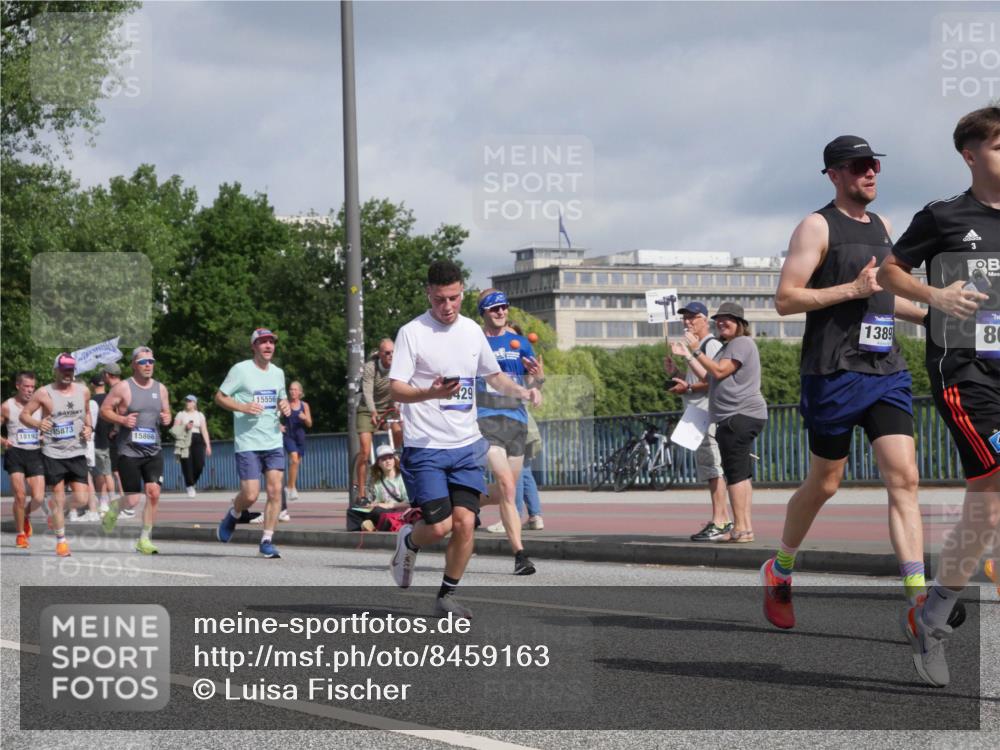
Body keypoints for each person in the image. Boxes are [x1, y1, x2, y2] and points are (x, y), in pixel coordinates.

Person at [758, 135, 932, 630]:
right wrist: (851, 289)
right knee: (825, 483)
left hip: (887, 370)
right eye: (858, 166)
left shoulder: (884, 226)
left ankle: (918, 601)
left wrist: (926, 315)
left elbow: (883, 295)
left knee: (904, 477)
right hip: (833, 371)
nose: (870, 173)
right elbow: (787, 300)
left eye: (874, 164)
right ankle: (781, 567)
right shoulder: (816, 226)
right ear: (834, 174)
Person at [877, 106, 1000, 687]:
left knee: (986, 505)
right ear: (970, 154)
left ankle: (934, 612)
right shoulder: (945, 216)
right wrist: (935, 297)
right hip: (967, 373)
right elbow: (888, 274)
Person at [388, 260, 541, 618]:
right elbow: (395, 388)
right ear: (429, 293)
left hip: (466, 444)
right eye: (440, 299)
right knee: (439, 527)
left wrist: (521, 390)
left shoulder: (472, 331)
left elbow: (494, 376)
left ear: (462, 292)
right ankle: (409, 541)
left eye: (454, 298)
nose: (448, 307)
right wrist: (430, 393)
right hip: (425, 446)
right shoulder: (412, 332)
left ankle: (446, 596)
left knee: (466, 522)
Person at [672, 302, 766, 543]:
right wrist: (688, 357)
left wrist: (696, 350)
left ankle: (740, 530)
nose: (723, 322)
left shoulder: (741, 343)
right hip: (736, 416)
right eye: (720, 318)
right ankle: (744, 528)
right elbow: (710, 376)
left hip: (738, 415)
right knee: (741, 475)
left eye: (729, 319)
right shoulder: (729, 346)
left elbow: (720, 371)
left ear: (741, 324)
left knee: (734, 475)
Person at [475, 291, 544, 574]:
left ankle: (461, 500)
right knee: (505, 483)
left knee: (508, 488)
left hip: (516, 420)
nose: (501, 312)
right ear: (484, 312)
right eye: (494, 309)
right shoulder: (474, 341)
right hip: (486, 419)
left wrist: (536, 380)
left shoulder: (521, 341)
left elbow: (535, 379)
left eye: (504, 307)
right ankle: (520, 554)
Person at [214, 328, 291, 559]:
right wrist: (242, 407)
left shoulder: (278, 373)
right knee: (250, 494)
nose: (268, 346)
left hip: (273, 440)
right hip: (248, 441)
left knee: (276, 491)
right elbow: (220, 397)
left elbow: (281, 397)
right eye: (263, 342)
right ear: (253, 347)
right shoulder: (241, 370)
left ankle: (267, 540)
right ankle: (234, 513)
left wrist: (284, 405)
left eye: (271, 342)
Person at [19, 354, 93, 557]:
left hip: (77, 451)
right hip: (53, 453)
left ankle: (56, 509)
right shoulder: (44, 393)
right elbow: (24, 414)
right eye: (64, 369)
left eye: (71, 369)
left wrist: (89, 428)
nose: (68, 373)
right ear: (56, 370)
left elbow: (87, 413)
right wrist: (38, 424)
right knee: (59, 497)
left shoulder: (84, 391)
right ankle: (61, 541)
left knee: (81, 498)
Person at [666, 301, 729, 541]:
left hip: (706, 414)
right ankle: (721, 519)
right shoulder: (698, 345)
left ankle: (720, 521)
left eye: (693, 317)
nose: (687, 321)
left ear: (705, 319)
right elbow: (696, 380)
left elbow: (712, 380)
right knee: (710, 469)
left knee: (714, 469)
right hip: (698, 413)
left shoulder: (709, 345)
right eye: (685, 317)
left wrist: (688, 387)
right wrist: (676, 374)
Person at [100, 347, 172, 554]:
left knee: (153, 493)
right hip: (128, 451)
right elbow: (105, 411)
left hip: (153, 450)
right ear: (133, 365)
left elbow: (166, 412)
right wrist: (122, 419)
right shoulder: (123, 388)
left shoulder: (161, 389)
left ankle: (144, 539)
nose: (148, 365)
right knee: (132, 499)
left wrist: (167, 417)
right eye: (143, 362)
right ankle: (116, 507)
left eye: (151, 361)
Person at [1, 371, 46, 549]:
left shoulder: (40, 406)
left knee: (38, 497)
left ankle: (24, 515)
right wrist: (4, 441)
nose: (29, 390)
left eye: (32, 387)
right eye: (26, 386)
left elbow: (50, 424)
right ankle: (20, 534)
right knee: (20, 496)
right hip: (15, 453)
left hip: (34, 453)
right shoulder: (7, 406)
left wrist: (44, 434)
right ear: (18, 386)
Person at [355, 339, 402, 501]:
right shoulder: (371, 367)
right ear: (380, 354)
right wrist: (373, 411)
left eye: (392, 352)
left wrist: (398, 406)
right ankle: (361, 492)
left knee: (399, 431)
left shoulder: (399, 367)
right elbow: (367, 392)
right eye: (386, 353)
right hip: (368, 409)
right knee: (365, 451)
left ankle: (391, 460)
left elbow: (399, 389)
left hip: (388, 409)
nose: (390, 356)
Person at [360, 444, 410, 531]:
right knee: (354, 512)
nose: (388, 461)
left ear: (394, 460)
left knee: (378, 512)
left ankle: (373, 525)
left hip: (401, 512)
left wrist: (388, 506)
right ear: (378, 463)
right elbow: (379, 501)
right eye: (383, 459)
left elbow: (408, 503)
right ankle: (373, 525)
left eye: (390, 458)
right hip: (385, 511)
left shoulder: (402, 478)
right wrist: (372, 505)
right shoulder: (378, 482)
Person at [173, 394, 212, 497]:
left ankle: (192, 482)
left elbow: (204, 430)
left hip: (198, 439)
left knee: (200, 464)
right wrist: (185, 427)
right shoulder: (180, 414)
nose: (187, 403)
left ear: (195, 403)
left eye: (190, 401)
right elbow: (174, 430)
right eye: (186, 401)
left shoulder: (200, 415)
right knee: (187, 464)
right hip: (185, 439)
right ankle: (189, 485)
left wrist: (208, 445)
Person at [89, 368, 115, 516]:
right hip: (108, 440)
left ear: (92, 385)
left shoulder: (92, 401)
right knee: (108, 473)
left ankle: (103, 502)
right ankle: (112, 500)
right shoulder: (111, 399)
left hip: (96, 441)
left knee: (99, 474)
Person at [282, 380, 311, 502]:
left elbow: (309, 424)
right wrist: (278, 426)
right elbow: (273, 416)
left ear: (300, 392)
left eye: (295, 389)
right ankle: (290, 487)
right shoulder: (285, 404)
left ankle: (291, 487)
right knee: (294, 459)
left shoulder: (304, 405)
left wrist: (305, 418)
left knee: (296, 463)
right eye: (291, 389)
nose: (292, 391)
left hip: (300, 437)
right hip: (288, 436)